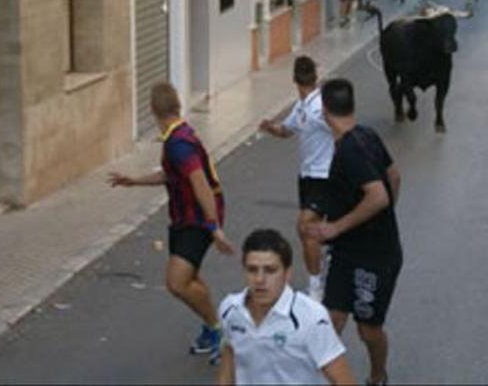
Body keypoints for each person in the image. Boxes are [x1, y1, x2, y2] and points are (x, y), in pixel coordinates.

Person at [108, 82, 234, 363]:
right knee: (190, 278)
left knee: (177, 283)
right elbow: (172, 175)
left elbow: (200, 184)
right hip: (184, 218)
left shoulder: (178, 144)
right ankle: (212, 327)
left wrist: (214, 227)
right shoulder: (178, 134)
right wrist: (134, 181)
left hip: (197, 220)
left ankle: (219, 330)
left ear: (152, 109)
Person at [306, 79, 402, 386]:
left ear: (324, 111)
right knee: (331, 320)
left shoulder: (351, 149)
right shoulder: (365, 135)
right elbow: (394, 176)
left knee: (368, 330)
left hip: (376, 256)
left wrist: (335, 227)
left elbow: (379, 196)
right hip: (346, 252)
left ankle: (378, 376)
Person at [216, 229, 355, 386]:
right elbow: (230, 350)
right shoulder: (230, 309)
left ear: (287, 273)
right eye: (252, 270)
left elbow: (343, 380)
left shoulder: (311, 318)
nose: (260, 279)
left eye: (270, 270)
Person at [258, 56, 334, 301]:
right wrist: (270, 127)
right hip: (307, 177)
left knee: (305, 227)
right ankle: (328, 256)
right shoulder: (301, 107)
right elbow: (286, 130)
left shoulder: (320, 106)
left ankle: (315, 288)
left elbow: (338, 127)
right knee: (313, 230)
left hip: (325, 176)